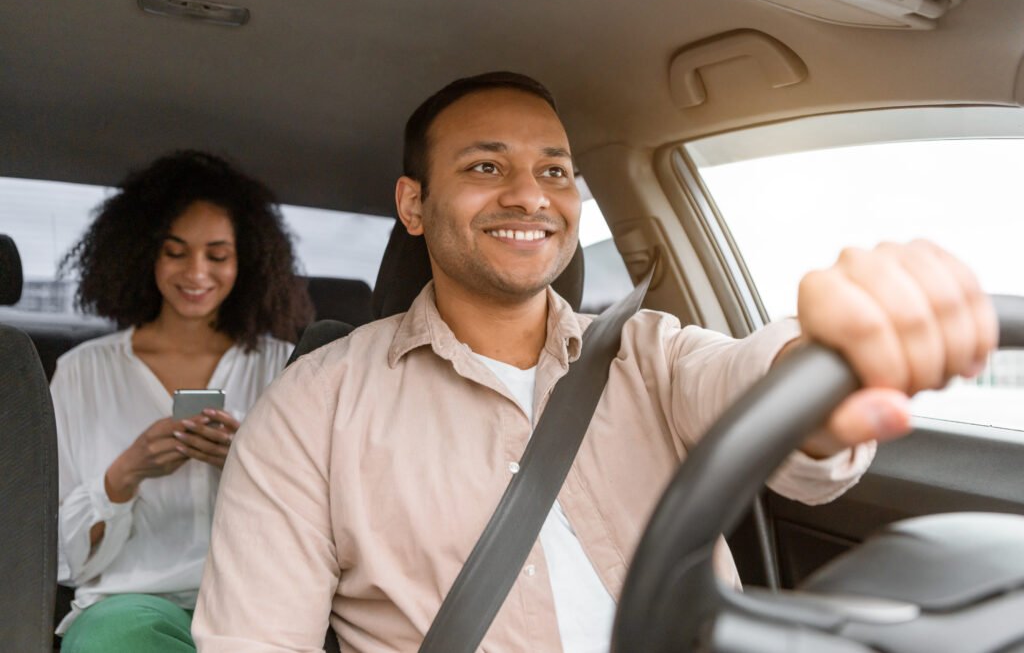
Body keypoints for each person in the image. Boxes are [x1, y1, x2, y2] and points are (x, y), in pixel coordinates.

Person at [192, 73, 997, 653]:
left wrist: (820, 372)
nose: (530, 194)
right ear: (413, 204)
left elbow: (746, 375)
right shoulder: (309, 409)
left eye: (554, 170)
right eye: (485, 166)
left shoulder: (649, 351)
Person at [53, 150, 314, 652]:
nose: (197, 273)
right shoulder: (83, 372)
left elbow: (330, 523)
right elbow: (64, 558)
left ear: (248, 262)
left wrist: (249, 460)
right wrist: (125, 473)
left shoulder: (288, 366)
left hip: (262, 605)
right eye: (176, 252)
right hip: (127, 609)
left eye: (217, 255)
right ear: (143, 254)